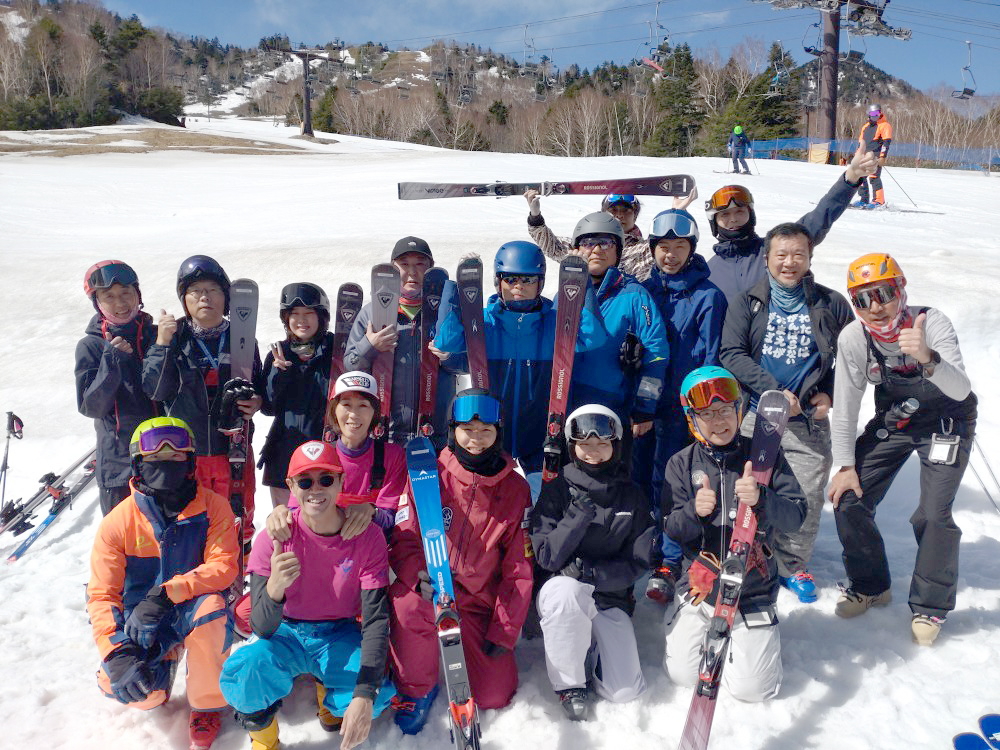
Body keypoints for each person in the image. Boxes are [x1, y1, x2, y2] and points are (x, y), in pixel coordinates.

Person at [828, 253, 976, 646]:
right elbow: (844, 407)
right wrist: (845, 465)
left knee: (933, 513)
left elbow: (961, 389)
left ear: (901, 287)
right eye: (862, 299)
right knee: (849, 499)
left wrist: (927, 357)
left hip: (947, 421)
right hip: (897, 420)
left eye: (884, 293)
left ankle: (931, 605)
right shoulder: (854, 338)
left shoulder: (932, 322)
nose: (875, 307)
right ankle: (871, 584)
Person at [220, 440, 396, 750]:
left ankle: (329, 695)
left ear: (341, 481)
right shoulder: (273, 537)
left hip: (338, 633)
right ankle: (265, 740)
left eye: (326, 479)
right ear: (291, 486)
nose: (316, 489)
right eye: (305, 481)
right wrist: (275, 587)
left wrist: (365, 694)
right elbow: (262, 627)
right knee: (244, 671)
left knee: (376, 696)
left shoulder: (367, 537)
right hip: (286, 631)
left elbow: (375, 618)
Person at [719, 222, 854, 603]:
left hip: (808, 421)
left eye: (798, 254)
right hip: (756, 414)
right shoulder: (747, 303)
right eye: (781, 254)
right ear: (767, 259)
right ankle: (752, 552)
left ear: (810, 258)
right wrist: (774, 391)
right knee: (752, 485)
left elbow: (849, 360)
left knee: (807, 494)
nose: (789, 262)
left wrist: (828, 395)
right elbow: (731, 353)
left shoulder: (830, 303)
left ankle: (793, 565)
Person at [87, 417, 239, 750]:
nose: (165, 465)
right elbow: (101, 594)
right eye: (155, 459)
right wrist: (116, 652)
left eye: (175, 458)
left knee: (212, 611)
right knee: (128, 689)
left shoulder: (214, 507)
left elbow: (224, 566)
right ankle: (163, 663)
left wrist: (167, 594)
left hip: (189, 608)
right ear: (138, 463)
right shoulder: (118, 522)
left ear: (190, 463)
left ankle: (206, 702)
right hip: (142, 623)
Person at [388, 389, 533, 734]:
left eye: (486, 431)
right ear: (453, 431)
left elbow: (518, 567)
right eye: (467, 430)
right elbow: (406, 533)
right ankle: (417, 688)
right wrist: (414, 574)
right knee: (406, 606)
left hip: (479, 601)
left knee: (496, 695)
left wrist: (505, 629)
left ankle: (471, 652)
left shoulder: (515, 489)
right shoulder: (429, 473)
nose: (476, 439)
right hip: (432, 591)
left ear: (499, 432)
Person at [661, 367, 805, 703]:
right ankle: (701, 624)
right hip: (701, 584)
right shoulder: (681, 465)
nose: (718, 420)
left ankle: (755, 637)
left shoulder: (764, 458)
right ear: (692, 420)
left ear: (739, 411)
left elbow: (796, 515)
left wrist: (762, 500)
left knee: (752, 692)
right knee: (681, 675)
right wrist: (693, 511)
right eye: (707, 413)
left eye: (725, 410)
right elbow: (671, 527)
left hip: (751, 586)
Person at [432, 241, 607, 496]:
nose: (518, 287)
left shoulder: (555, 323)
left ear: (540, 282)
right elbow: (445, 341)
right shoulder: (483, 321)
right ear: (498, 281)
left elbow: (594, 337)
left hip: (540, 434)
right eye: (510, 278)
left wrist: (583, 285)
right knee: (494, 504)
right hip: (492, 434)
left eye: (527, 279)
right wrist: (456, 288)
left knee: (539, 505)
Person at [529, 404, 656, 721]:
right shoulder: (556, 491)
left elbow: (639, 562)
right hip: (561, 594)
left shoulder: (632, 496)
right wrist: (576, 518)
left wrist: (590, 573)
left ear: (616, 445)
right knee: (566, 592)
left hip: (610, 597)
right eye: (585, 444)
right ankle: (569, 683)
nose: (594, 452)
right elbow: (545, 556)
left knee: (624, 691)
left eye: (602, 443)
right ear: (573, 447)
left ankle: (593, 649)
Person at [636, 210, 727, 604]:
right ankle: (643, 544)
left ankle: (671, 558)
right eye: (663, 247)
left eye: (679, 247)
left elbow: (710, 355)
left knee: (674, 483)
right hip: (643, 402)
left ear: (691, 250)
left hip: (683, 405)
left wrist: (701, 408)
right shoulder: (643, 290)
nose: (670, 255)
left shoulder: (708, 296)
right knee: (640, 477)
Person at [143, 255, 263, 547]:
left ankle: (238, 574)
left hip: (231, 452)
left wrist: (257, 400)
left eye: (213, 289)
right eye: (195, 291)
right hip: (186, 453)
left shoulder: (243, 338)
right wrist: (162, 344)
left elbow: (258, 387)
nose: (205, 297)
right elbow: (155, 390)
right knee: (190, 524)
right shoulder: (173, 338)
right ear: (184, 299)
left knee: (234, 520)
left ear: (226, 297)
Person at [676, 146, 879, 301]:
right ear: (714, 221)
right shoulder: (708, 270)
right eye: (724, 215)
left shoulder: (772, 251)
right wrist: (676, 215)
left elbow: (818, 219)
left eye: (740, 212)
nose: (733, 219)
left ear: (751, 215)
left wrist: (850, 178)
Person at [564, 212, 669, 463]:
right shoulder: (565, 295)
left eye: (606, 242)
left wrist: (644, 407)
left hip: (615, 405)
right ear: (577, 249)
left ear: (618, 250)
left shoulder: (634, 296)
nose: (597, 249)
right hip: (568, 403)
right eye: (589, 242)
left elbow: (657, 356)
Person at [343, 237, 457, 448]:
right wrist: (369, 346)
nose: (412, 272)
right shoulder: (371, 313)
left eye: (420, 264)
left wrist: (450, 355)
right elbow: (349, 368)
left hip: (435, 434)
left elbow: (468, 365)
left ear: (430, 268)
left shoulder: (444, 313)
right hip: (384, 435)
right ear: (393, 268)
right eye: (404, 264)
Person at [75, 260, 157, 515]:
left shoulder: (157, 336)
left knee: (168, 544)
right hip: (118, 468)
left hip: (165, 458)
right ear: (97, 303)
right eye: (109, 296)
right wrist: (111, 361)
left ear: (138, 295)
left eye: (126, 293)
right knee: (122, 548)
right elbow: (92, 407)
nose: (121, 304)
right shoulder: (91, 346)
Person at [259, 282, 336, 507]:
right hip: (284, 452)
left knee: (324, 522)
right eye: (295, 314)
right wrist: (278, 373)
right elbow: (268, 407)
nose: (301, 320)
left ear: (321, 316)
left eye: (309, 313)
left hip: (325, 448)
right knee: (285, 525)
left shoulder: (336, 349)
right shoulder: (278, 353)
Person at [524, 190, 655, 281]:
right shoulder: (586, 244)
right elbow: (554, 247)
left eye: (626, 211)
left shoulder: (644, 250)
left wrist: (675, 212)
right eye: (613, 210)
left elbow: (669, 244)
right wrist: (536, 218)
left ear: (635, 215)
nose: (620, 215)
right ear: (603, 212)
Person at [855, 104, 893, 206]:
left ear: (880, 113)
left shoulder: (885, 125)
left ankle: (879, 200)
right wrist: (857, 155)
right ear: (868, 114)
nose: (875, 116)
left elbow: (886, 142)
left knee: (874, 177)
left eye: (877, 113)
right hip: (864, 155)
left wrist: (882, 157)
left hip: (875, 155)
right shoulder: (865, 127)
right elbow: (861, 143)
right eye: (872, 114)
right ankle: (864, 199)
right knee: (860, 176)